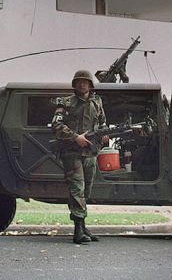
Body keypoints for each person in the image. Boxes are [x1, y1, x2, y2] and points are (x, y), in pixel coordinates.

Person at [51, 70, 107, 244]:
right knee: (77, 190)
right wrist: (76, 137)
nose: (83, 85)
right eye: (79, 82)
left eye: (86, 82)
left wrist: (104, 135)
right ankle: (77, 231)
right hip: (72, 153)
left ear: (90, 85)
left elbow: (103, 122)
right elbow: (56, 124)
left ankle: (83, 226)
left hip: (90, 153)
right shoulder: (66, 103)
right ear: (75, 84)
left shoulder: (97, 102)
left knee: (86, 191)